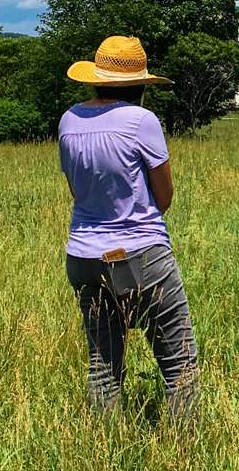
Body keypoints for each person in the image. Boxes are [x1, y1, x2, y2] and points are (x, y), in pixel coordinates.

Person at [59, 36, 200, 426]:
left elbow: (74, 189)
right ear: (139, 84)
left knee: (104, 364)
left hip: (83, 255)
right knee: (178, 364)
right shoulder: (142, 121)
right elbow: (164, 195)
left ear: (95, 79)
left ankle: (105, 451)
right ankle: (184, 456)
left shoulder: (69, 120)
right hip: (139, 251)